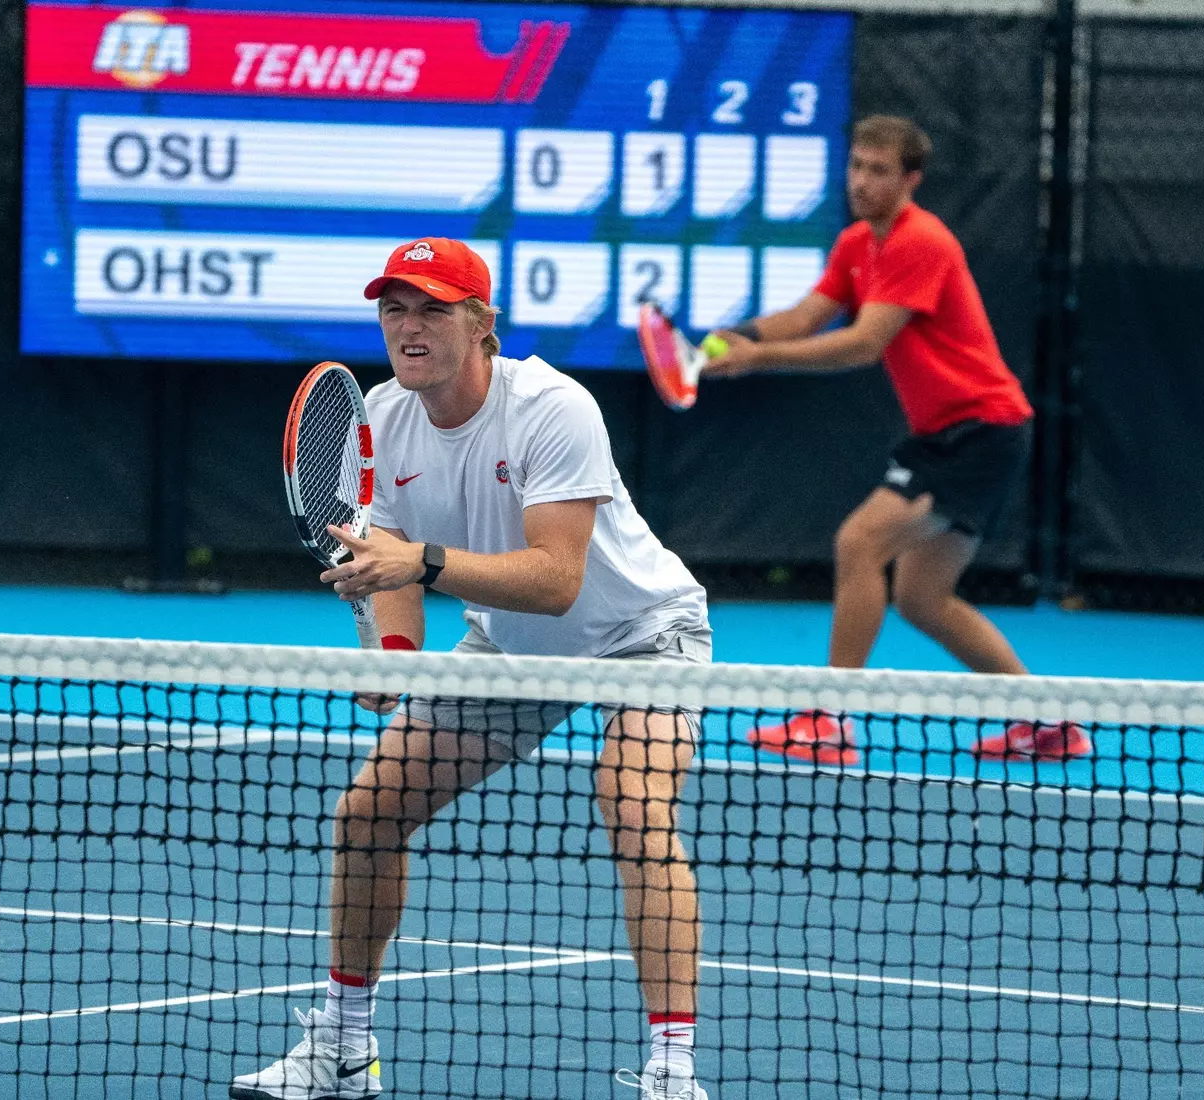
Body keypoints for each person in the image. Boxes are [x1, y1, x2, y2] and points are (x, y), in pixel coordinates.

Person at [231, 238, 715, 1100]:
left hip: (643, 631)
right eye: (395, 310)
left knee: (634, 803)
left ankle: (672, 1073)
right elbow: (390, 571)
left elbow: (557, 580)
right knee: (369, 811)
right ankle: (344, 1048)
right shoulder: (375, 420)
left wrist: (414, 563)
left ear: (482, 324)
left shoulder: (552, 408)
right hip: (509, 646)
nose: (410, 327)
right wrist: (396, 656)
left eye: (433, 309)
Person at [702, 116, 1085, 762]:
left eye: (878, 170)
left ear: (910, 180)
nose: (861, 181)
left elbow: (863, 342)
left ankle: (828, 720)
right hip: (955, 434)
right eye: (856, 166)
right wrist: (741, 337)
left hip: (980, 430)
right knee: (921, 598)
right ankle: (1047, 723)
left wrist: (758, 362)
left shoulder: (920, 242)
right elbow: (806, 316)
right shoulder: (857, 244)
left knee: (859, 541)